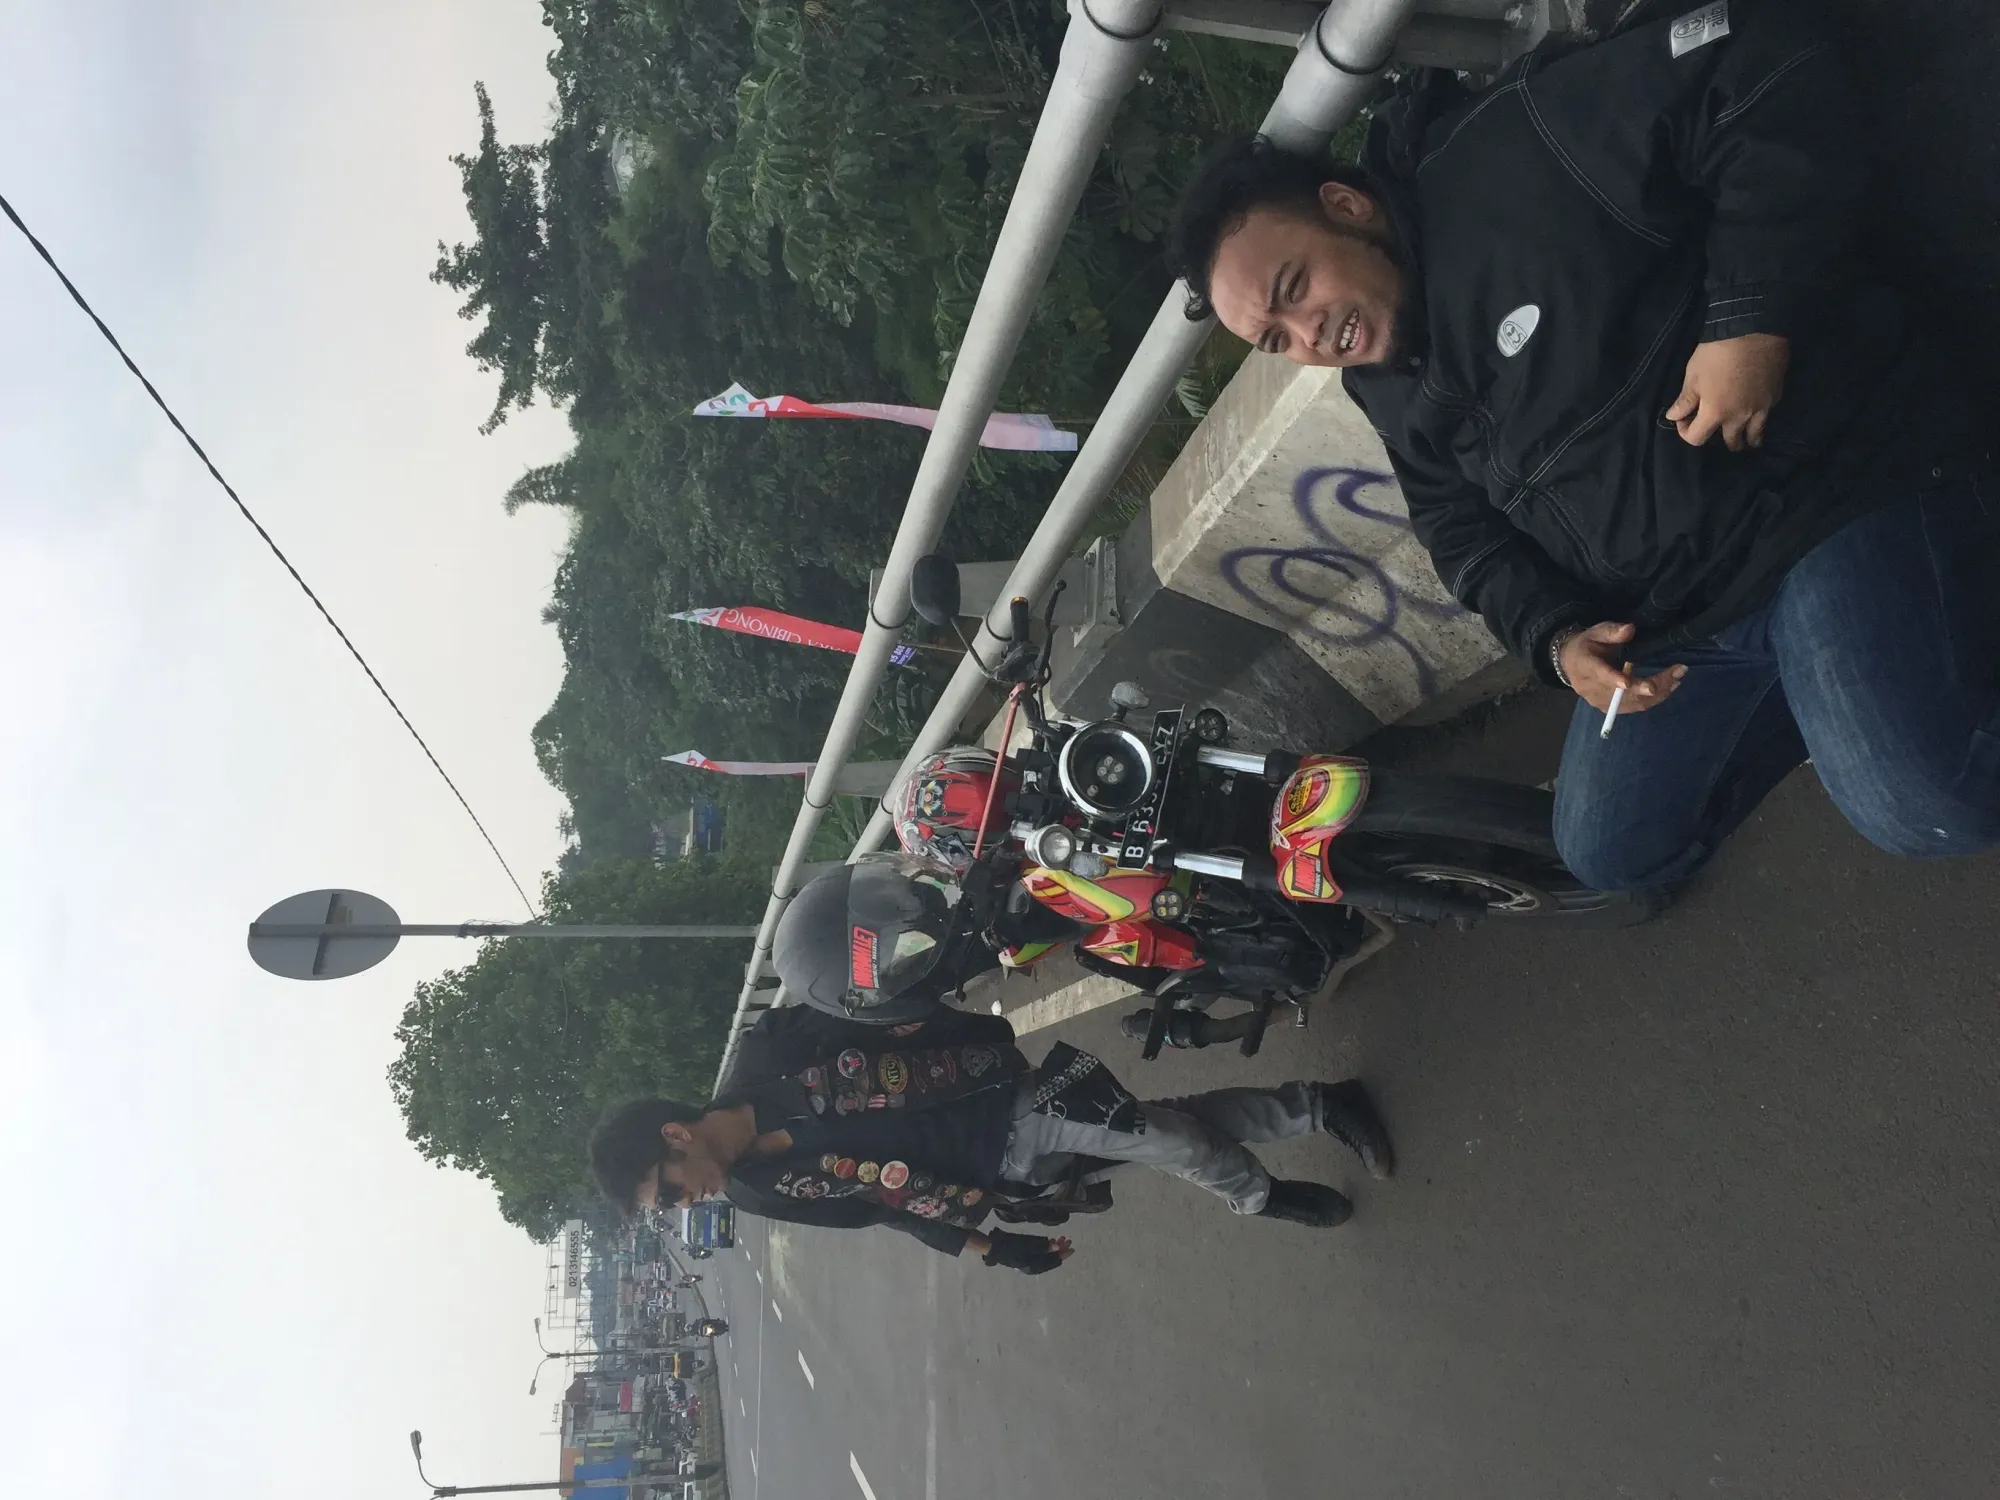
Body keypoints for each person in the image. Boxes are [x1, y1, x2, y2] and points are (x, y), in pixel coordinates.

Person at [1167, 0, 1997, 891]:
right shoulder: (1380, 377)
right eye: (1275, 338)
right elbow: (1461, 535)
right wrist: (1556, 638)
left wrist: (1752, 319)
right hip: (1682, 620)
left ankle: (1892, 668)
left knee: (1918, 800)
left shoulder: (1516, 155)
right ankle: (1868, 673)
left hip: (1831, 493)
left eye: (1294, 285)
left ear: (1345, 206)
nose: (1307, 331)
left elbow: (1754, 69)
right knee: (1609, 849)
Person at [588, 1006, 1395, 1275]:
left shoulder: (770, 1052)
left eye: (668, 1190)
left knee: (1170, 1141)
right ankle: (1322, 1105)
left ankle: (1263, 1197)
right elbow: (881, 1208)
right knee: (1180, 1127)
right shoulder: (762, 1195)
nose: (681, 1205)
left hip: (1003, 1097)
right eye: (666, 1208)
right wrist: (988, 1248)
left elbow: (868, 994)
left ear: (674, 1135)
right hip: (1004, 1176)